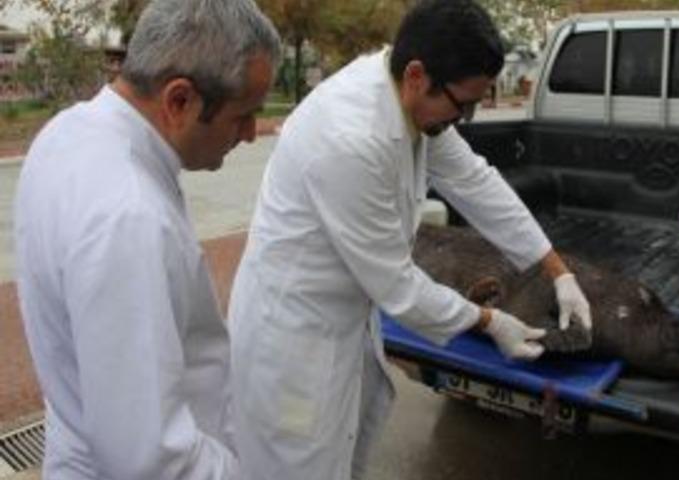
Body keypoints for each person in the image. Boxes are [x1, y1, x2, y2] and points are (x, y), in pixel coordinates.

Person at [227, 0, 592, 478]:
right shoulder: (349, 138)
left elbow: (474, 181)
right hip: (294, 337)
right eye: (461, 104)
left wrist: (556, 269)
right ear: (418, 75)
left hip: (343, 319)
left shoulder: (408, 94)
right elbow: (398, 287)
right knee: (296, 464)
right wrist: (489, 322)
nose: (462, 117)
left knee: (339, 457)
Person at [13, 0, 280, 478]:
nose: (251, 134)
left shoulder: (67, 133)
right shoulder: (128, 215)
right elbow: (154, 460)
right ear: (179, 101)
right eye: (243, 114)